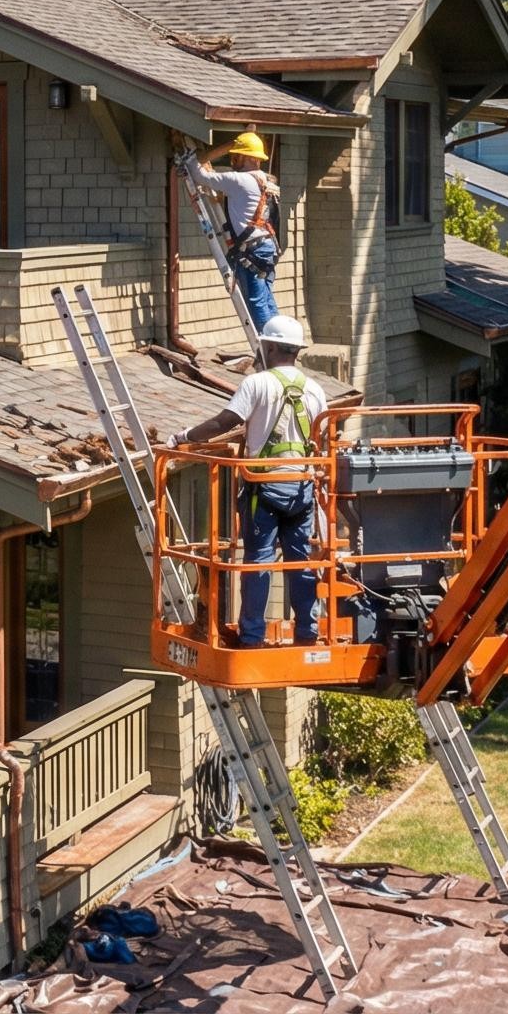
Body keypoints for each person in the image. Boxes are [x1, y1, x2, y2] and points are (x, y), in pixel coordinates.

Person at [171, 314, 327, 649]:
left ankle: (253, 637)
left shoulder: (257, 384)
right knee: (300, 561)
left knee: (258, 562)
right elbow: (322, 438)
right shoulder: (315, 390)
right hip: (302, 488)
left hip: (264, 486)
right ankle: (307, 635)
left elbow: (225, 422)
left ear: (269, 346)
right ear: (296, 351)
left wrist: (182, 437)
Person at [180, 132, 282, 334]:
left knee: (256, 301)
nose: (233, 160)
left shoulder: (239, 180)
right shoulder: (265, 180)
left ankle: (267, 347)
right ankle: (280, 338)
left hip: (252, 249)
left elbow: (201, 176)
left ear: (249, 158)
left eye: (237, 156)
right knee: (266, 298)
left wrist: (190, 156)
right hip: (266, 245)